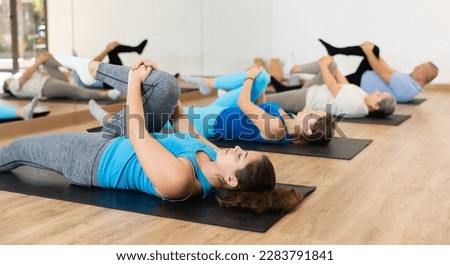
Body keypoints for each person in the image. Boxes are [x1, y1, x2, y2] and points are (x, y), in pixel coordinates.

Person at [0, 56, 303, 213]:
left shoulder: (182, 182)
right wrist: (163, 87)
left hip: (92, 158)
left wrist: (134, 82)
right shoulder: (212, 155)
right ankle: (89, 70)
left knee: (16, 149)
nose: (236, 147)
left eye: (240, 155)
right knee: (165, 85)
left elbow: (137, 130)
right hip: (118, 139)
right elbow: (183, 123)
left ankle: (93, 73)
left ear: (233, 180)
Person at [158, 65, 334, 145]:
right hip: (223, 110)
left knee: (162, 111)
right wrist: (260, 87)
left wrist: (249, 77)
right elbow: (262, 108)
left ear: (309, 131)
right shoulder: (288, 121)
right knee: (263, 77)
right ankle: (208, 83)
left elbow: (244, 103)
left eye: (314, 115)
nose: (310, 110)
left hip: (210, 122)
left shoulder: (277, 128)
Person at [265, 56, 397, 118]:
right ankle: (295, 69)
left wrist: (323, 65)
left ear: (375, 106)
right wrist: (333, 65)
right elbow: (345, 84)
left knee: (266, 99)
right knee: (332, 65)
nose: (376, 92)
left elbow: (332, 86)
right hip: (314, 89)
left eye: (379, 95)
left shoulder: (356, 106)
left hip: (307, 99)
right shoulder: (364, 97)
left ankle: (247, 97)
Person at [318, 39, 439, 103]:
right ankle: (335, 51)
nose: (417, 66)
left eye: (420, 68)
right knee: (374, 49)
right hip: (365, 76)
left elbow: (382, 72)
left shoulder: (407, 87)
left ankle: (334, 51)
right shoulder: (410, 81)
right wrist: (371, 51)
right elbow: (387, 69)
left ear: (423, 76)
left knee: (329, 83)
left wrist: (369, 51)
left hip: (361, 83)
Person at [2, 52, 122, 101]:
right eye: (9, 79)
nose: (11, 78)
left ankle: (73, 65)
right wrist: (38, 61)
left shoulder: (19, 83)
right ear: (7, 85)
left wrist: (42, 62)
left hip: (49, 79)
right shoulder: (12, 86)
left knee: (47, 61)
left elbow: (29, 75)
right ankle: (108, 94)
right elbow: (24, 76)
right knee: (76, 91)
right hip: (45, 87)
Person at [72, 40, 148, 89]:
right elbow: (94, 62)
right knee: (112, 50)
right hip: (107, 82)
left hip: (107, 81)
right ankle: (136, 49)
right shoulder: (77, 72)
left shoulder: (76, 75)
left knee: (112, 49)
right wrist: (108, 49)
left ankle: (136, 49)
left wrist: (108, 49)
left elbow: (96, 67)